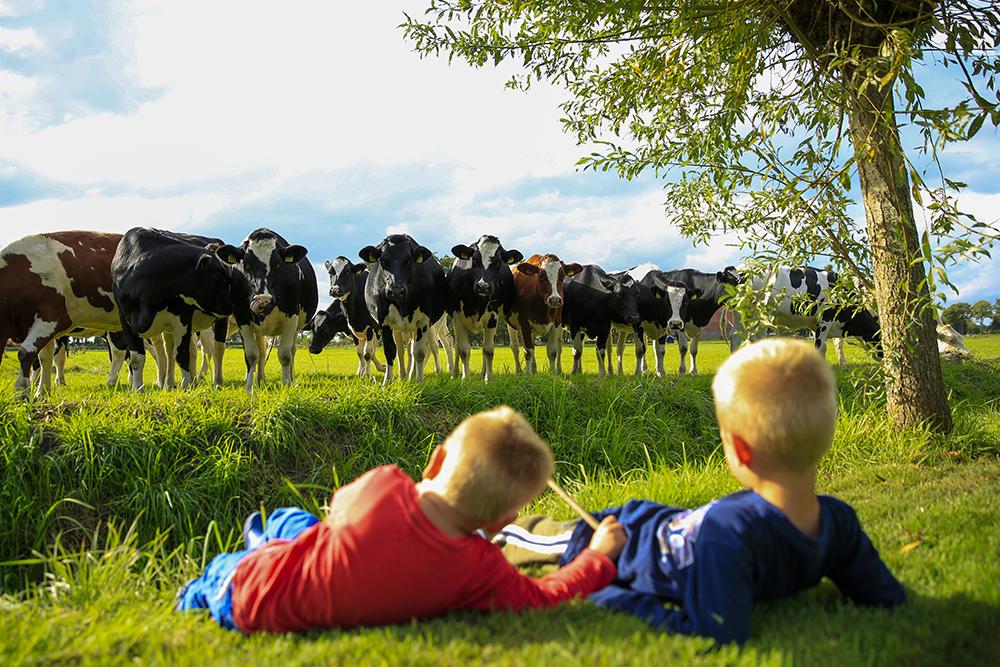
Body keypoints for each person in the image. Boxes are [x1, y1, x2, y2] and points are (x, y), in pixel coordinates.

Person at [495, 338, 906, 645]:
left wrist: (607, 593)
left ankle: (484, 529)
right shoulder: (838, 520)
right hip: (657, 523)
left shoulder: (729, 533)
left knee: (538, 535)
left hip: (619, 540)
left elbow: (714, 631)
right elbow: (886, 596)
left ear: (740, 451)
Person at [176, 405, 626, 633]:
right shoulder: (481, 568)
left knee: (275, 534)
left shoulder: (386, 483)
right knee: (296, 523)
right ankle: (269, 534)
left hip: (248, 590)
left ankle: (234, 560)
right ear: (499, 523)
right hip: (315, 563)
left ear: (435, 461)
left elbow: (338, 509)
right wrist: (598, 556)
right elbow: (546, 595)